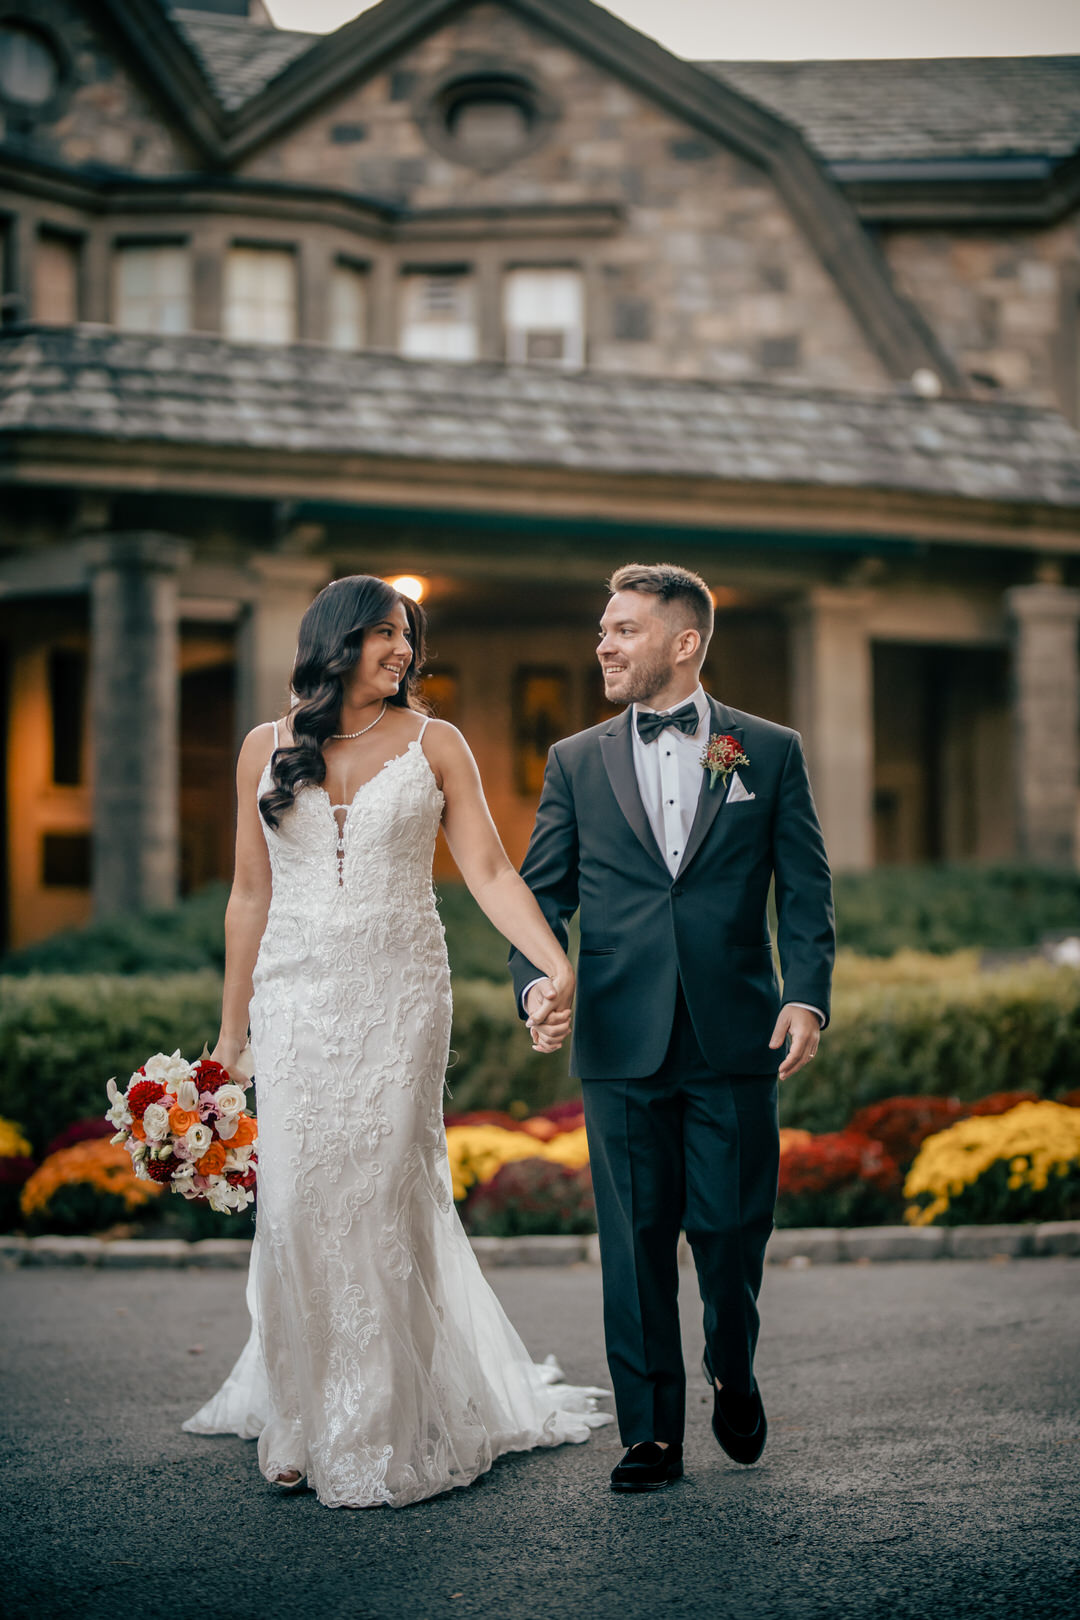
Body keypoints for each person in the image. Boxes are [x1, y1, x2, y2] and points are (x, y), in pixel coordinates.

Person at [184, 574, 610, 1509]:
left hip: (401, 994)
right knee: (295, 1203)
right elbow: (248, 896)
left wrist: (553, 961)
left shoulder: (437, 742)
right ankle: (298, 1414)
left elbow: (490, 869)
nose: (402, 651)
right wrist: (231, 1030)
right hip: (295, 1000)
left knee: (381, 1201)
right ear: (335, 641)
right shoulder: (266, 746)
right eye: (383, 633)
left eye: (407, 635)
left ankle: (378, 1426)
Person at [512, 563, 834, 1493]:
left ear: (684, 643)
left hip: (737, 1033)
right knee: (637, 1234)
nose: (602, 645)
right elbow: (541, 894)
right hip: (619, 1035)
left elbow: (806, 890)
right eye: (602, 629)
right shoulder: (575, 759)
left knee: (732, 1230)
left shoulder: (766, 751)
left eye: (623, 629)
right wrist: (538, 985)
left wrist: (805, 994)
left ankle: (731, 1364)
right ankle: (651, 1432)